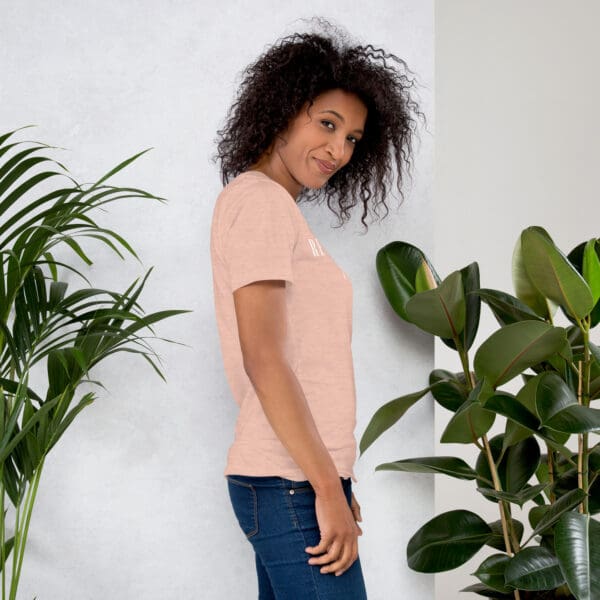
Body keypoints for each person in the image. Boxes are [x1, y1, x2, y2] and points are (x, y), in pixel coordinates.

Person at [210, 19, 424, 600]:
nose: (337, 150)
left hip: (297, 475)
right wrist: (325, 488)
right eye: (326, 124)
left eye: (352, 138)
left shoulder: (277, 209)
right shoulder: (258, 202)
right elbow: (266, 360)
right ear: (281, 109)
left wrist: (333, 479)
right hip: (287, 480)